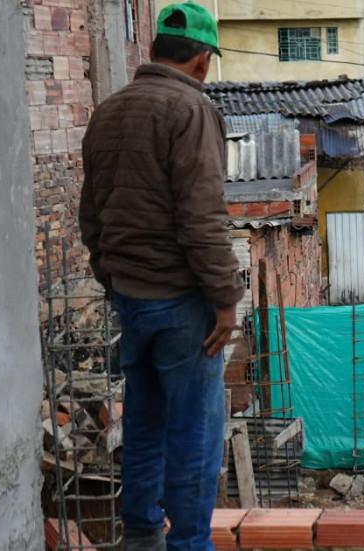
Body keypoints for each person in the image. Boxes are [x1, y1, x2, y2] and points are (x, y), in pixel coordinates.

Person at [79, 3, 242, 549]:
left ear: (152, 53)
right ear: (201, 60)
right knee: (194, 433)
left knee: (145, 419)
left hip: (131, 296)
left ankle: (143, 532)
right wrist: (225, 299)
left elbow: (91, 213)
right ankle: (190, 543)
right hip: (181, 302)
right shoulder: (191, 110)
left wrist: (114, 277)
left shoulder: (110, 110)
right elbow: (202, 217)